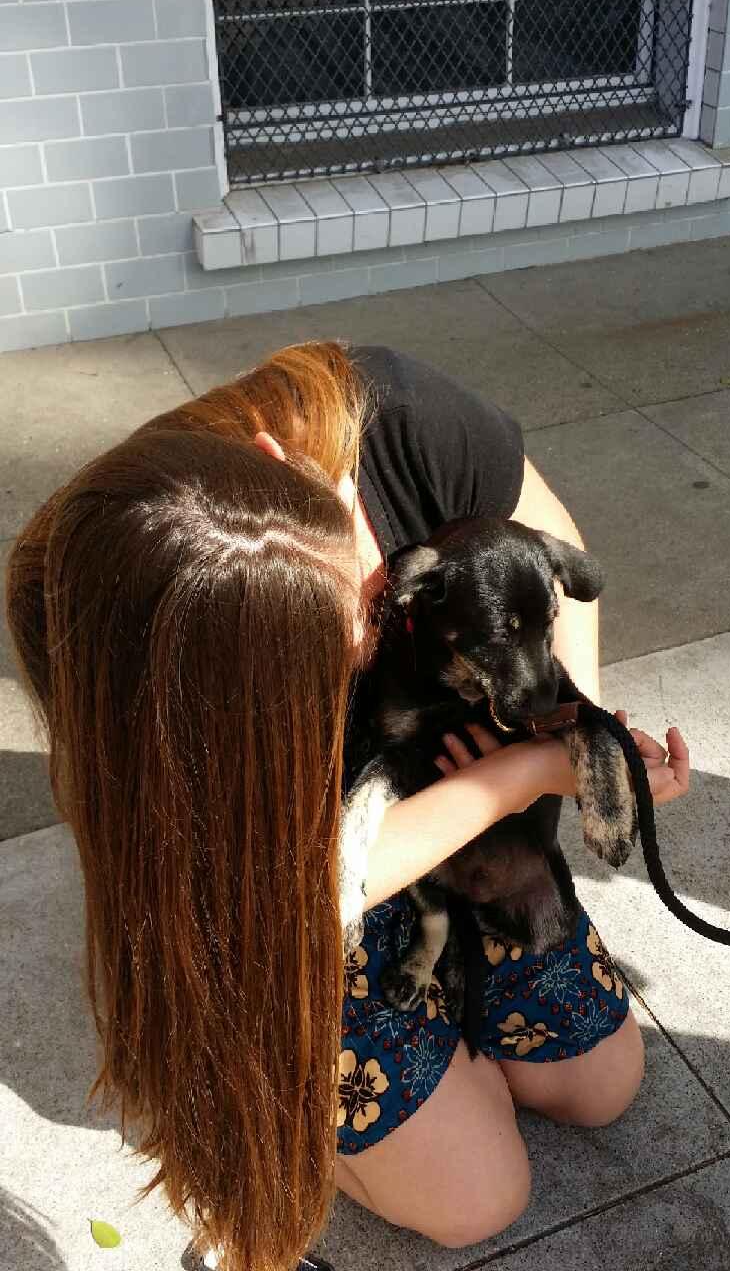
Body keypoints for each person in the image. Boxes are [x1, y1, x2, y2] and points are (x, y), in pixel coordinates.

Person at [5, 340, 689, 1271]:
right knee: (479, 1199)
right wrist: (518, 778)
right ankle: (257, 1071)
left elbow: (548, 545)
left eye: (363, 605)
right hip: (308, 877)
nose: (372, 638)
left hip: (445, 812)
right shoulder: (134, 679)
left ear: (278, 464)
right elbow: (307, 888)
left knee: (602, 1087)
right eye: (311, 664)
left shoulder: (398, 419)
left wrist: (576, 731)